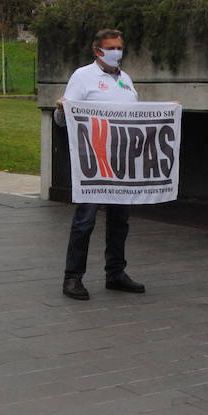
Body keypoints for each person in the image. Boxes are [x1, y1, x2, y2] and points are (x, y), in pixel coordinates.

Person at [53, 28, 146, 301]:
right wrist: (61, 110)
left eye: (120, 46)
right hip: (93, 163)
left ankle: (115, 273)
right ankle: (72, 278)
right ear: (98, 51)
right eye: (112, 47)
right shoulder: (83, 77)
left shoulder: (126, 80)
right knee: (85, 220)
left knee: (120, 220)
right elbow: (64, 120)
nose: (118, 51)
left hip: (121, 162)